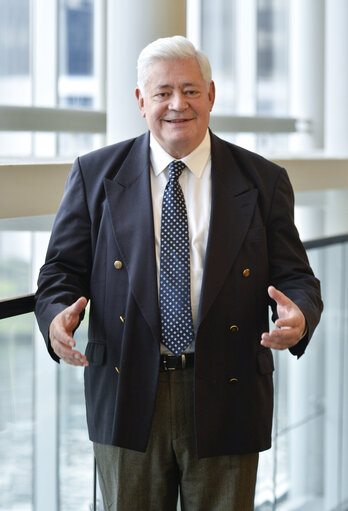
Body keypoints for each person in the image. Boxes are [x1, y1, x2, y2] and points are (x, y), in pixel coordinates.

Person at [35, 35, 323, 511]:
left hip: (228, 387)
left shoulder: (263, 180)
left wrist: (300, 315)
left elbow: (297, 277)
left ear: (211, 96)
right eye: (163, 91)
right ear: (140, 100)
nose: (177, 105)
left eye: (190, 90)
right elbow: (61, 272)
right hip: (127, 386)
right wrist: (54, 319)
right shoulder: (94, 173)